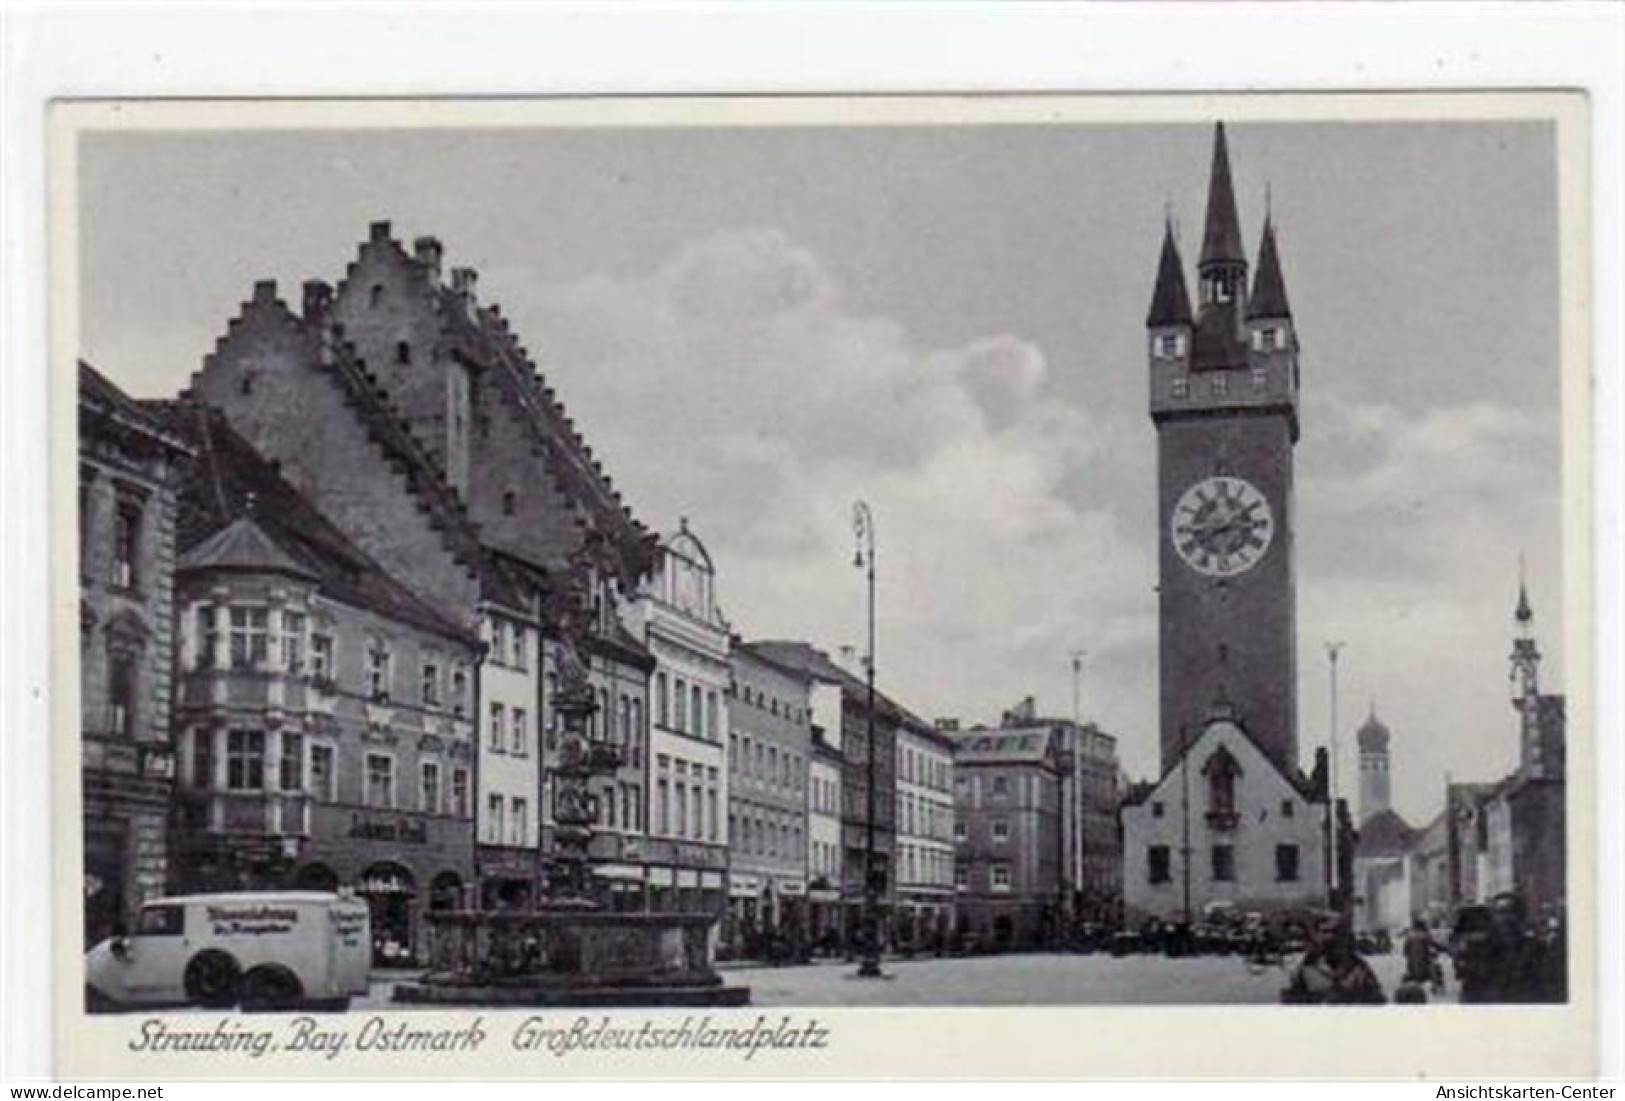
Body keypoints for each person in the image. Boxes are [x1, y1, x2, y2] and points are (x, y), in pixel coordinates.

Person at [1283, 918, 1386, 1005]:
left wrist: (1347, 997)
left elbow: (1378, 999)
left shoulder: (1357, 966)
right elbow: (1292, 1004)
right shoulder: (1306, 968)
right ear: (1316, 935)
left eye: (1334, 932)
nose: (1330, 937)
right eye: (1324, 932)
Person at [1403, 917, 1444, 992]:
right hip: (1425, 962)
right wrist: (1443, 949)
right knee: (1435, 969)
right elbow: (1434, 945)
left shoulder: (1410, 936)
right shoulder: (1426, 935)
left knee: (1410, 973)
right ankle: (1436, 985)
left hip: (1412, 963)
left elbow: (1405, 951)